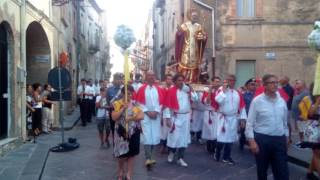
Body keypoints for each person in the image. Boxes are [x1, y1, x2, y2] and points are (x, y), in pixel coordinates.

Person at [245, 74, 289, 180]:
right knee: (262, 170)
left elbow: (285, 122)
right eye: (272, 83)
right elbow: (250, 123)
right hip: (262, 139)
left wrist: (287, 137)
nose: (275, 85)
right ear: (264, 85)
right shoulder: (257, 101)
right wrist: (252, 141)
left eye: (276, 82)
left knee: (282, 171)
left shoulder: (281, 101)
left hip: (279, 139)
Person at [163, 74, 198, 167]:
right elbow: (167, 106)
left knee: (184, 138)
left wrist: (191, 89)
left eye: (182, 80)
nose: (181, 82)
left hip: (186, 117)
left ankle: (180, 158)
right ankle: (171, 152)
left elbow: (195, 99)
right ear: (174, 82)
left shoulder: (187, 91)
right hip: (176, 117)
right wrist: (167, 118)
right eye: (179, 80)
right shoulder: (171, 91)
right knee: (174, 137)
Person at [111, 85, 144, 180]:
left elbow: (141, 116)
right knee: (121, 154)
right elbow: (114, 117)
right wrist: (122, 109)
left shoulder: (135, 104)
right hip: (121, 132)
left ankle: (129, 173)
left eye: (131, 94)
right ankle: (121, 171)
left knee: (131, 154)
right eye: (127, 94)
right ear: (122, 94)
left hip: (133, 131)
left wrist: (131, 118)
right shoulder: (116, 104)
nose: (129, 96)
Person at [214, 74, 246, 165]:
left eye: (233, 80)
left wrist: (242, 119)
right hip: (223, 118)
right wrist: (224, 91)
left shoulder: (237, 93)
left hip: (233, 118)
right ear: (226, 81)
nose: (231, 82)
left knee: (231, 138)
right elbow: (218, 101)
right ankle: (217, 152)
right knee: (221, 138)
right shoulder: (221, 90)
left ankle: (226, 156)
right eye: (229, 80)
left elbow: (242, 106)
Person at [135, 71, 164, 168]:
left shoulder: (159, 89)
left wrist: (156, 111)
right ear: (146, 77)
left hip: (156, 115)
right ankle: (148, 157)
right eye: (149, 76)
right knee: (147, 136)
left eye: (153, 75)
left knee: (154, 136)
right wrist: (147, 112)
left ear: (155, 77)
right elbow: (139, 102)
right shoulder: (141, 89)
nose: (151, 77)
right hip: (145, 115)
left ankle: (151, 156)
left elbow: (161, 102)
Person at [175, 9, 207, 83]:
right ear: (190, 16)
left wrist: (203, 37)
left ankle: (192, 80)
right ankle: (183, 80)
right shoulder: (184, 25)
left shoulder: (199, 26)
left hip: (195, 50)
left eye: (196, 16)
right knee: (184, 65)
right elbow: (179, 35)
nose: (195, 17)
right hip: (186, 50)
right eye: (193, 16)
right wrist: (179, 33)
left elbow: (203, 36)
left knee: (194, 66)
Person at [298, 82, 320, 179]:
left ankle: (309, 173)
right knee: (317, 153)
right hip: (313, 130)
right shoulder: (310, 99)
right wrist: (318, 101)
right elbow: (310, 114)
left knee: (317, 153)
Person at [201, 76, 221, 157]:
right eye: (215, 81)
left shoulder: (220, 91)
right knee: (209, 130)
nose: (217, 83)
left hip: (216, 113)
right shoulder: (207, 90)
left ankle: (215, 146)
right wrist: (210, 91)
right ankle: (209, 146)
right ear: (212, 82)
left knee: (216, 130)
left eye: (218, 81)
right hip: (208, 112)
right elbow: (207, 101)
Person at [190, 72, 209, 144]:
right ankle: (192, 134)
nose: (205, 79)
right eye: (203, 77)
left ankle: (199, 137)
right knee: (194, 123)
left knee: (202, 124)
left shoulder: (207, 86)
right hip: (196, 108)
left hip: (204, 108)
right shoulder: (196, 86)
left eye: (206, 77)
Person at [239, 78, 256, 150]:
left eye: (254, 85)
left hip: (255, 117)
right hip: (246, 116)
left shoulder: (257, 94)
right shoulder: (243, 95)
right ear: (247, 86)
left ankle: (252, 145)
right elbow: (242, 107)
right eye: (252, 84)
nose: (254, 86)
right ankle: (242, 143)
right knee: (243, 132)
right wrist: (242, 119)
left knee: (254, 132)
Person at [107, 73, 124, 144]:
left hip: (123, 112)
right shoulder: (109, 90)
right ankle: (115, 145)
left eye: (120, 79)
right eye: (117, 79)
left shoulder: (124, 89)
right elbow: (108, 102)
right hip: (113, 112)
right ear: (113, 80)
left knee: (122, 129)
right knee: (113, 129)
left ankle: (123, 145)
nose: (118, 81)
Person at [160, 74, 173, 154]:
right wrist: (161, 114)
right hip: (165, 110)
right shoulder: (162, 89)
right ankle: (163, 145)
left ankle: (170, 146)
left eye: (171, 79)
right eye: (168, 79)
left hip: (172, 111)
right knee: (164, 130)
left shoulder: (174, 89)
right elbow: (161, 101)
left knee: (171, 130)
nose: (169, 81)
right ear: (165, 80)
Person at [280, 76, 294, 144]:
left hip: (287, 108)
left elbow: (285, 98)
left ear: (285, 81)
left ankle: (289, 138)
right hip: (284, 107)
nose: (279, 80)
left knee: (287, 123)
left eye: (281, 79)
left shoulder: (288, 88)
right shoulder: (283, 88)